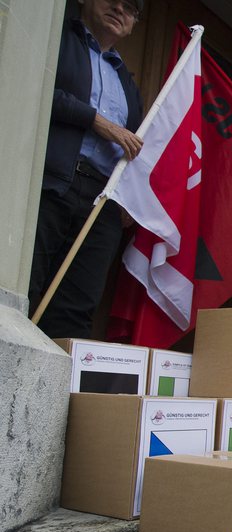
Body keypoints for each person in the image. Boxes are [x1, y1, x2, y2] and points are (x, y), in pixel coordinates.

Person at [30, 0, 144, 338]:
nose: (120, 9)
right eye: (113, 0)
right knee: (22, 287)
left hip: (100, 204)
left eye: (131, 7)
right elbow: (33, 87)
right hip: (51, 183)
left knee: (75, 309)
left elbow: (136, 147)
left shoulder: (127, 81)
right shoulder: (58, 39)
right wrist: (97, 121)